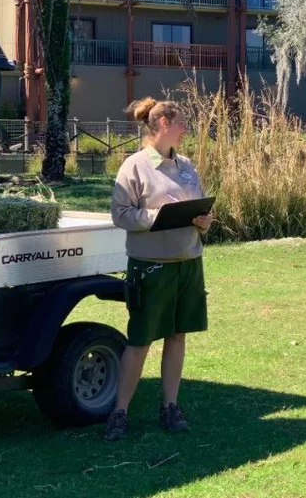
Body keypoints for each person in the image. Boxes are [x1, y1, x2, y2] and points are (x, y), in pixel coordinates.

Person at [105, 97, 213, 441]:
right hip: (151, 268)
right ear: (164, 122)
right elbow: (120, 215)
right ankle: (119, 412)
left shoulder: (186, 166)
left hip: (188, 264)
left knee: (177, 335)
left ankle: (170, 407)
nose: (185, 130)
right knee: (140, 341)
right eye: (181, 123)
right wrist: (157, 217)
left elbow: (198, 213)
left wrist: (203, 221)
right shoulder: (134, 167)